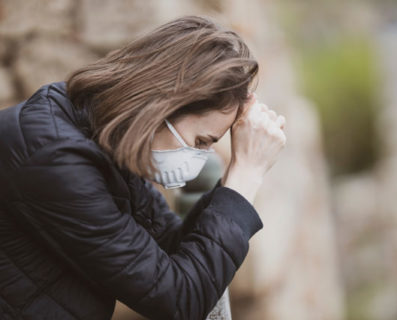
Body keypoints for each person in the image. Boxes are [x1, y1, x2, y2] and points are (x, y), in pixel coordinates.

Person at [0, 15, 286, 320]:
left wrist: (233, 180)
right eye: (201, 141)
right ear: (164, 104)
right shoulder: (55, 158)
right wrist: (246, 177)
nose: (201, 156)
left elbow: (172, 253)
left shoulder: (97, 136)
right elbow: (179, 300)